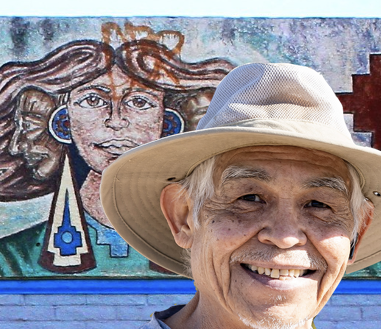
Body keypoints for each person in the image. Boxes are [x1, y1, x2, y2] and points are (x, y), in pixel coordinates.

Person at [5, 63, 381, 329]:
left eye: (319, 205)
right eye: (248, 198)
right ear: (183, 218)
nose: (286, 236)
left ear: (356, 235)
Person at [0, 38, 232, 275]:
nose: (116, 121)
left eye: (140, 102)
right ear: (62, 122)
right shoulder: (12, 259)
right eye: (93, 100)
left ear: (169, 123)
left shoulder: (216, 254)